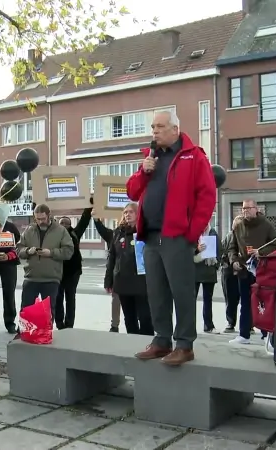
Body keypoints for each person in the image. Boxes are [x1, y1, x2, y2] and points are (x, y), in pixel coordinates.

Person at [125, 110, 216, 366]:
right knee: (156, 293)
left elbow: (207, 197)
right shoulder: (150, 157)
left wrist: (191, 232)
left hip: (176, 236)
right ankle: (161, 340)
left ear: (175, 129)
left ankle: (185, 344)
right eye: (153, 127)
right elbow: (132, 191)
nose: (154, 131)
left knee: (182, 292)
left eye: (160, 126)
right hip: (151, 237)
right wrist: (143, 171)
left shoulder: (194, 156)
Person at [226, 199, 276, 345]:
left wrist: (260, 252)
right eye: (243, 208)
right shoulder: (238, 226)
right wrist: (234, 260)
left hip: (261, 269)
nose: (245, 211)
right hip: (243, 269)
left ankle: (266, 333)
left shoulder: (266, 225)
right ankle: (244, 334)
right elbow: (232, 247)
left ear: (256, 209)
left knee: (262, 302)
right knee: (245, 302)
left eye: (248, 208)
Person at [104, 202, 153, 335]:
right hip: (123, 281)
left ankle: (147, 341)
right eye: (125, 212)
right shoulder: (118, 233)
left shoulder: (146, 231)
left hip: (142, 281)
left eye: (131, 212)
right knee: (129, 318)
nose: (127, 215)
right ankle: (133, 341)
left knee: (145, 316)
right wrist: (108, 280)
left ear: (138, 214)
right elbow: (112, 257)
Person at [17, 204, 74, 315]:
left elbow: (68, 251)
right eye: (38, 219)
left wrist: (51, 253)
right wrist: (28, 251)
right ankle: (24, 332)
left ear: (49, 216)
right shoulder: (29, 230)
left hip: (51, 279)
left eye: (43, 218)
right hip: (31, 277)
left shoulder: (60, 231)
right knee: (26, 309)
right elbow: (18, 249)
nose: (40, 221)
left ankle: (45, 332)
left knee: (47, 312)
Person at [55, 208, 92, 330]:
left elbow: (84, 220)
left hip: (73, 273)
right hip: (58, 272)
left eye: (67, 223)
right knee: (58, 298)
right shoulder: (53, 235)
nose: (64, 225)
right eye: (62, 223)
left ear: (70, 225)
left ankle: (69, 324)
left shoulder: (75, 233)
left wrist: (89, 206)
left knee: (70, 298)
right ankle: (59, 323)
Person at [93, 215, 122, 332]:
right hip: (118, 276)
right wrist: (96, 219)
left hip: (137, 278)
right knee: (116, 302)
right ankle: (114, 325)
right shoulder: (114, 235)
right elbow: (111, 262)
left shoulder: (140, 233)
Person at [194, 224, 220, 334]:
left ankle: (208, 325)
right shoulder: (193, 233)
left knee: (207, 300)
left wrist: (216, 264)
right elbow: (186, 248)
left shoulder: (213, 232)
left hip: (209, 271)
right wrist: (197, 249)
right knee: (191, 300)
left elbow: (219, 249)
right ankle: (189, 326)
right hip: (194, 270)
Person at [220, 216, 242, 333]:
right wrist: (225, 263)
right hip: (229, 271)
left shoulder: (245, 237)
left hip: (243, 271)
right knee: (230, 299)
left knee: (246, 299)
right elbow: (221, 251)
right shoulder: (228, 237)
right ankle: (230, 322)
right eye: (236, 226)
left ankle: (248, 324)